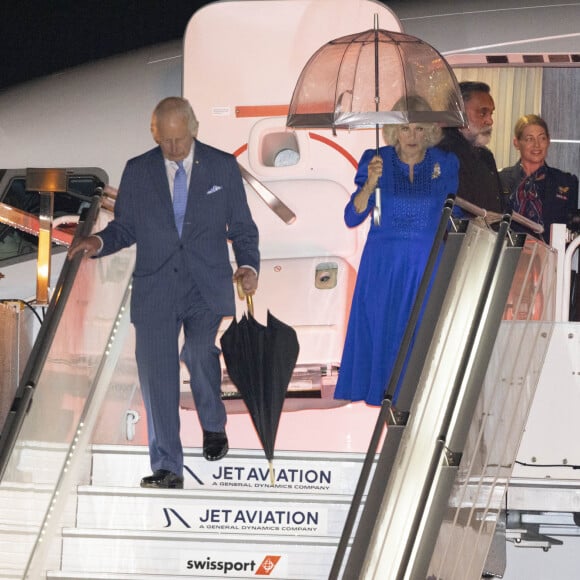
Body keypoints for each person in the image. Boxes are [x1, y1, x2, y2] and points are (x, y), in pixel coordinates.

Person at [68, 97, 260, 489]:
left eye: (180, 139)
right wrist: (97, 243)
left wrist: (248, 265)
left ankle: (212, 424)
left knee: (198, 350)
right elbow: (125, 229)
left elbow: (242, 226)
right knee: (157, 376)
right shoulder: (138, 172)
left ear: (194, 128)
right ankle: (167, 467)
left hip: (206, 282)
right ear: (154, 134)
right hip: (156, 286)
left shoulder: (222, 166)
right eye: (166, 141)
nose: (173, 149)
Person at [333, 96, 459, 407]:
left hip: (426, 265)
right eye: (404, 128)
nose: (412, 136)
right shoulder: (375, 160)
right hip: (383, 266)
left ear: (429, 131)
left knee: (423, 337)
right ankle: (387, 412)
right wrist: (370, 184)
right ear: (393, 131)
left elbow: (453, 214)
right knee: (385, 335)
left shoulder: (446, 162)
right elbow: (353, 216)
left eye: (419, 129)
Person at [499, 114, 579, 244]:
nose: (537, 145)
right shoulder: (500, 180)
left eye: (542, 138)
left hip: (551, 259)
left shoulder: (566, 182)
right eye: (529, 139)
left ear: (548, 141)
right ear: (517, 143)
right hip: (508, 257)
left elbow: (571, 233)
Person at [438, 81, 505, 214]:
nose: (490, 121)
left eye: (491, 113)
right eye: (482, 113)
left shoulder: (486, 156)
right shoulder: (440, 153)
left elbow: (499, 207)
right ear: (457, 113)